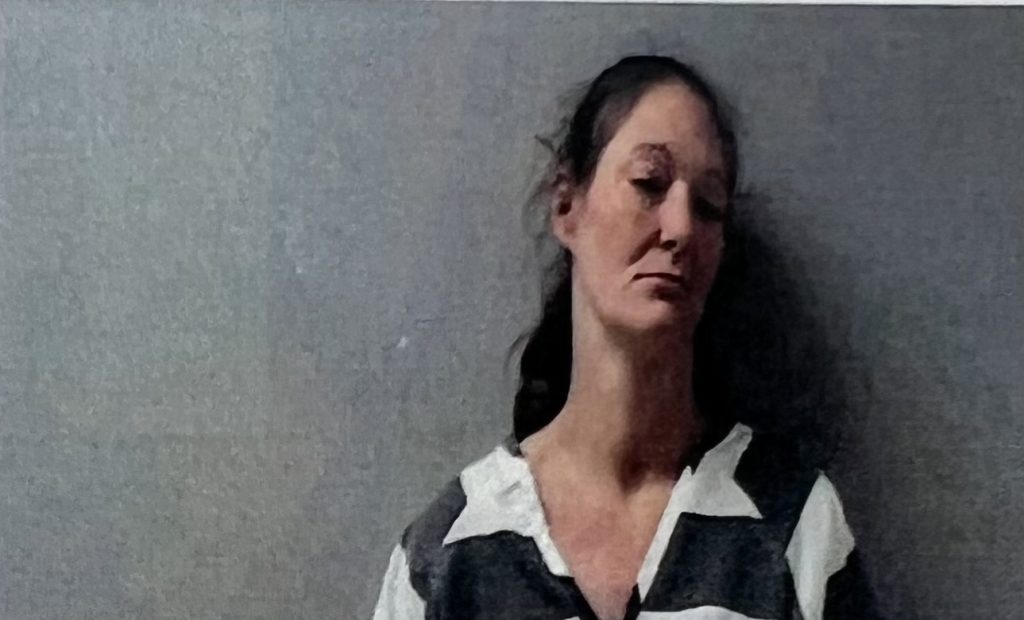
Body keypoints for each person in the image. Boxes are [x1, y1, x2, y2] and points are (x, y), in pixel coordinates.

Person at [372, 55, 880, 620]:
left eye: (708, 206)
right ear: (567, 205)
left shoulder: (791, 522)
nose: (680, 228)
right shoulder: (449, 555)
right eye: (648, 183)